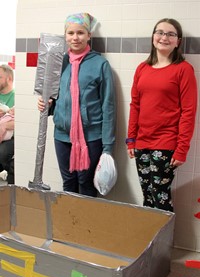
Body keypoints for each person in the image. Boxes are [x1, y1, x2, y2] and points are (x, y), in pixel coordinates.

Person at [38, 12, 116, 197]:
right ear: (65, 36)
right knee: (68, 183)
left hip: (91, 138)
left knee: (86, 184)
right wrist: (47, 104)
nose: (75, 37)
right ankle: (69, 225)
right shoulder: (58, 63)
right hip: (62, 137)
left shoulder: (100, 64)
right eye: (70, 33)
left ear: (89, 35)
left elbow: (109, 107)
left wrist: (108, 147)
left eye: (80, 32)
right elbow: (55, 99)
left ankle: (87, 225)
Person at [126, 18, 197, 212]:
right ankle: (150, 242)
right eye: (160, 32)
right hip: (141, 142)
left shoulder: (183, 70)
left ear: (178, 41)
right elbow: (135, 106)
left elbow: (189, 112)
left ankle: (164, 242)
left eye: (170, 34)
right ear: (153, 37)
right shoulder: (142, 68)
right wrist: (131, 138)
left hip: (165, 143)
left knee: (160, 196)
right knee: (147, 195)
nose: (164, 37)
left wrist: (182, 148)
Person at [0, 64, 15, 184]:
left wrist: (4, 125)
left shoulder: (17, 96)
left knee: (3, 152)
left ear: (9, 79)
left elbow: (19, 122)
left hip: (10, 137)